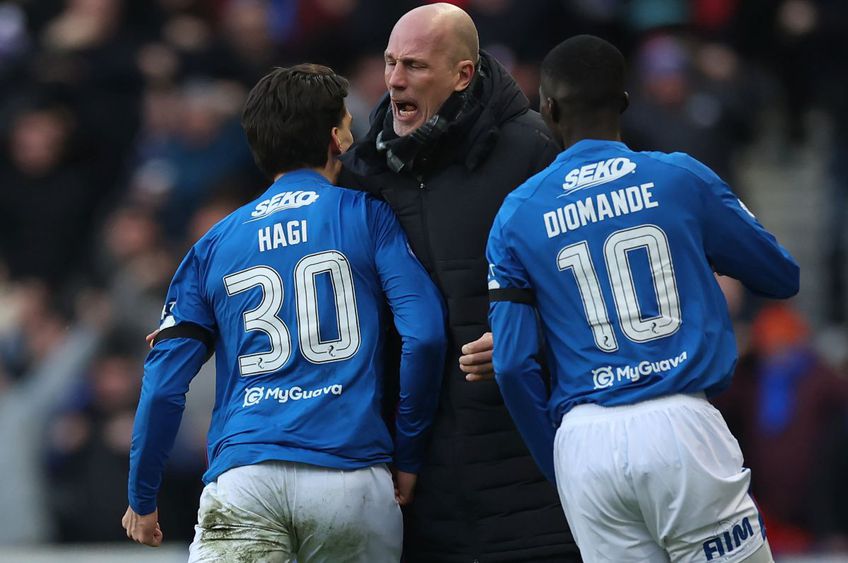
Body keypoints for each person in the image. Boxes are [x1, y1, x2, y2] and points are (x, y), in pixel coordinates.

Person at [486, 35, 799, 563]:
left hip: (582, 441)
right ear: (626, 102)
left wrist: (557, 460)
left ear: (548, 107)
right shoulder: (678, 177)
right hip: (680, 424)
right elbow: (780, 275)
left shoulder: (516, 214)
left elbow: (512, 365)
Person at [122, 64, 447, 562]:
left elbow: (164, 383)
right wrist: (409, 454)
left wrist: (143, 498)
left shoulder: (212, 245)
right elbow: (423, 337)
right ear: (338, 137)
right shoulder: (368, 216)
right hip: (351, 478)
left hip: (245, 480)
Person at [339, 4, 580, 561]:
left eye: (415, 66)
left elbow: (585, 278)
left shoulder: (533, 149)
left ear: (463, 74)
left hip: (531, 477)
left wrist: (533, 334)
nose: (394, 80)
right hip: (419, 486)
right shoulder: (364, 172)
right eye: (390, 62)